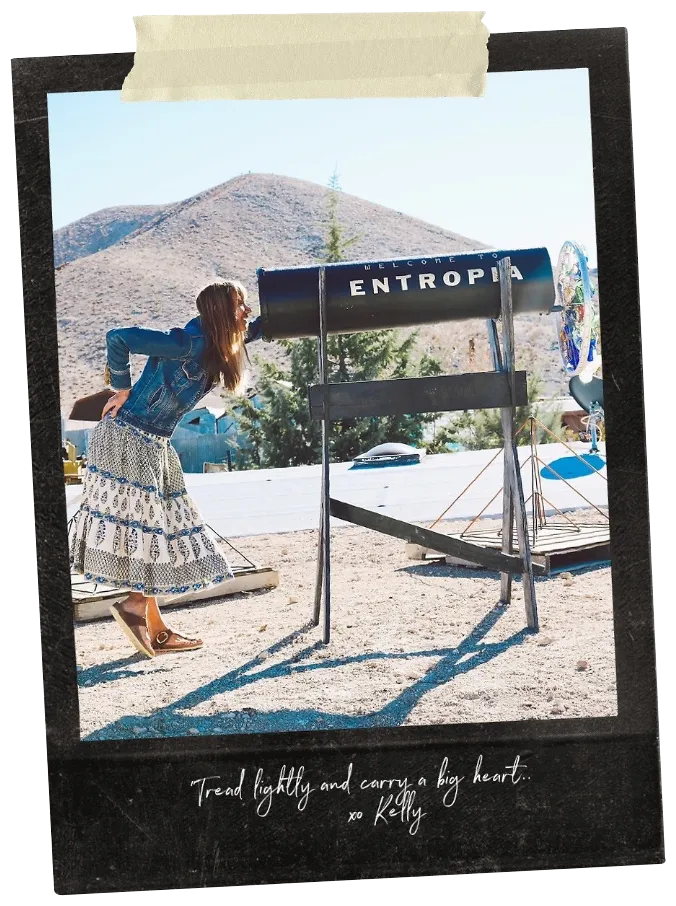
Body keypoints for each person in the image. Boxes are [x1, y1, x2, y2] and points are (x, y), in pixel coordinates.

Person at [69, 281, 264, 659]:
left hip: (153, 441)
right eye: (241, 305)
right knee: (149, 528)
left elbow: (258, 327)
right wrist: (122, 388)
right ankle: (134, 607)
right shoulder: (187, 343)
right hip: (128, 436)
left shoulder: (218, 341)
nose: (247, 312)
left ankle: (156, 630)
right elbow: (119, 338)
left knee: (164, 529)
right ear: (223, 311)